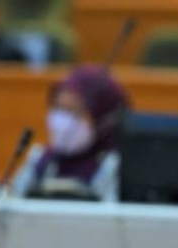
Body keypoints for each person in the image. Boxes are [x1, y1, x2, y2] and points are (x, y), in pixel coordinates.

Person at [12, 65, 130, 201]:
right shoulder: (39, 160)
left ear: (103, 118)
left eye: (74, 111)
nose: (62, 120)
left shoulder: (114, 168)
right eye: (58, 107)